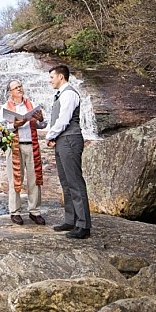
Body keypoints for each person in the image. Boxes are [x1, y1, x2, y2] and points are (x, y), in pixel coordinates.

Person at [45, 64, 92, 239]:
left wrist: (50, 135)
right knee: (65, 182)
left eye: (52, 77)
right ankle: (71, 220)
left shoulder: (70, 94)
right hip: (62, 140)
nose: (50, 81)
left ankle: (83, 225)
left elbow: (64, 119)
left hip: (70, 140)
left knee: (75, 182)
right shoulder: (60, 94)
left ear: (61, 77)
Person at [1, 80, 47, 225]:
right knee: (15, 179)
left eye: (20, 86)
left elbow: (41, 125)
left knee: (34, 178)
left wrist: (41, 120)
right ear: (10, 92)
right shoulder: (5, 108)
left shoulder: (31, 105)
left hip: (31, 144)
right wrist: (14, 125)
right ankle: (15, 211)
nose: (19, 89)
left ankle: (34, 211)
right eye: (16, 87)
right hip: (14, 146)